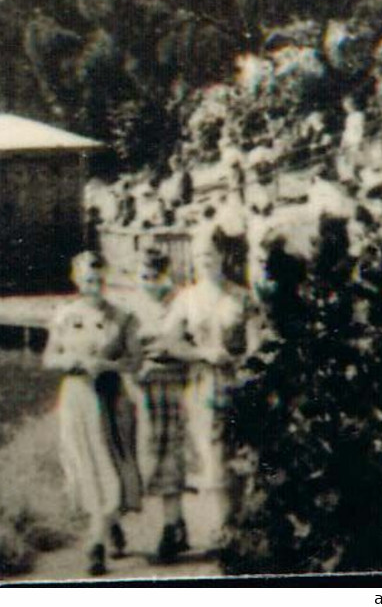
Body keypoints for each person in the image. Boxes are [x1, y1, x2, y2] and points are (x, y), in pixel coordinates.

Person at [43, 251, 143, 577]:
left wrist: (107, 365)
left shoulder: (122, 317)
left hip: (111, 396)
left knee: (110, 463)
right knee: (85, 464)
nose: (94, 286)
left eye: (99, 280)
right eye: (87, 280)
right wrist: (71, 362)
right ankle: (105, 525)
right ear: (77, 280)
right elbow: (49, 358)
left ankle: (96, 544)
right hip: (76, 396)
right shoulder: (65, 315)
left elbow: (135, 361)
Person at [163, 236, 250, 524]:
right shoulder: (186, 298)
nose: (205, 260)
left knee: (240, 452)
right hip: (203, 382)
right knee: (211, 453)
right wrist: (201, 352)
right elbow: (171, 342)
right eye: (200, 256)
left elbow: (257, 343)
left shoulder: (241, 296)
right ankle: (220, 526)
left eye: (210, 254)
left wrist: (242, 361)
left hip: (239, 382)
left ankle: (241, 523)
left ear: (222, 255)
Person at [131, 249, 189, 563]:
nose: (150, 284)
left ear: (166, 275)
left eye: (156, 277)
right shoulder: (133, 305)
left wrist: (158, 345)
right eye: (144, 277)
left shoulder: (179, 302)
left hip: (173, 382)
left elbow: (180, 342)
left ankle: (170, 528)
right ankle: (176, 520)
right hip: (142, 384)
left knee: (171, 452)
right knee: (146, 453)